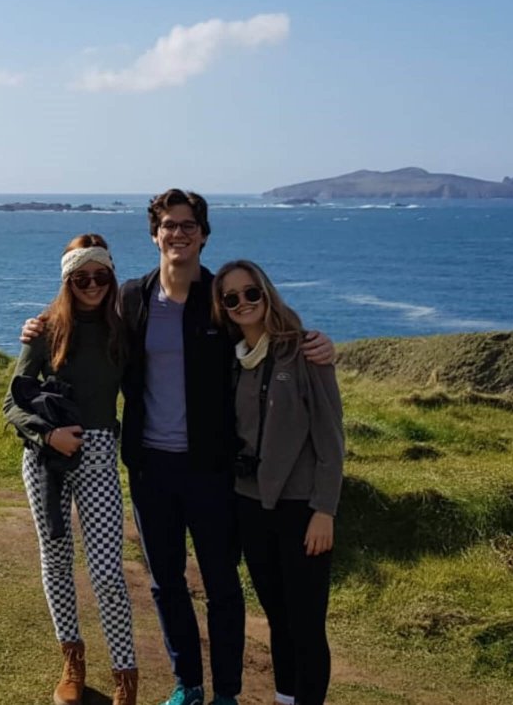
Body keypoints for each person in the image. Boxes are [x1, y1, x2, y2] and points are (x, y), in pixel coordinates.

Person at [23, 190, 335, 705]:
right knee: (167, 584)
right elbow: (81, 317)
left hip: (213, 469)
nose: (179, 233)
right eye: (169, 225)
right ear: (155, 234)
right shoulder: (130, 299)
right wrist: (37, 328)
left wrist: (316, 340)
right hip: (150, 468)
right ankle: (188, 685)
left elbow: (269, 324)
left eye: (189, 225)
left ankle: (226, 693)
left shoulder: (223, 297)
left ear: (204, 235)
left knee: (221, 586)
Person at [4, 233, 139, 705]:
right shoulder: (44, 330)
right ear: (68, 279)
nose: (92, 284)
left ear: (111, 276)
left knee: (106, 572)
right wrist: (48, 436)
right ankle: (72, 661)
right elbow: (11, 403)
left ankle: (126, 679)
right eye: (81, 277)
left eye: (101, 275)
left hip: (99, 454)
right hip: (47, 459)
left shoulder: (124, 329)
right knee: (56, 559)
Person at [212, 259, 343, 705]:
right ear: (223, 307)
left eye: (251, 292)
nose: (243, 303)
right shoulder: (229, 362)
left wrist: (325, 508)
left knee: (307, 624)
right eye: (231, 298)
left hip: (301, 507)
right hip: (250, 506)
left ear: (266, 293)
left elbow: (331, 437)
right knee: (278, 619)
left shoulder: (303, 351)